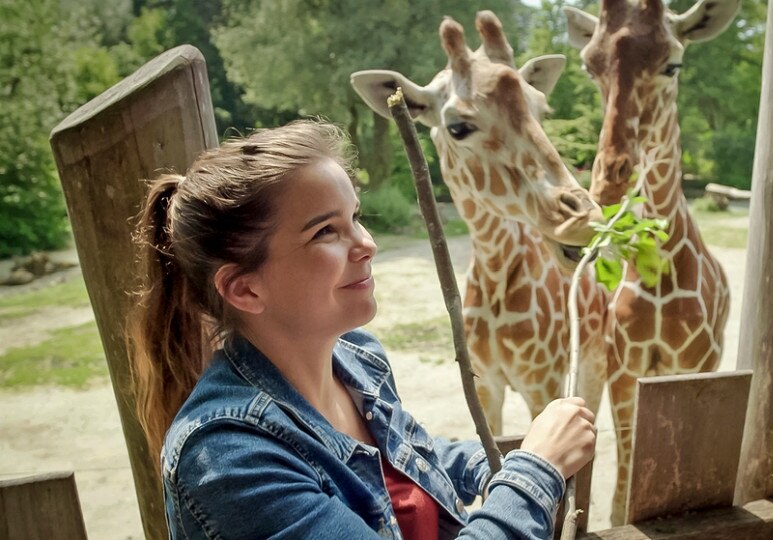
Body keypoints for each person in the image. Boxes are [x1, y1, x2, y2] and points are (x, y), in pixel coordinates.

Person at [128, 118, 597, 540]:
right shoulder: (228, 460)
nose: (367, 244)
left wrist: (485, 466)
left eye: (354, 217)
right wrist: (534, 472)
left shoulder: (355, 359)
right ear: (244, 289)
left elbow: (406, 456)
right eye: (325, 232)